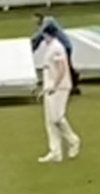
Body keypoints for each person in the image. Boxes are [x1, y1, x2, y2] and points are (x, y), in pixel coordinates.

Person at [38, 22, 81, 164]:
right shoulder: (50, 47)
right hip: (50, 86)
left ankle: (73, 140)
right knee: (50, 120)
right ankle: (55, 152)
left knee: (57, 117)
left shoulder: (57, 48)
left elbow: (62, 68)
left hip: (59, 87)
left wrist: (55, 86)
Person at [30, 13, 80, 95]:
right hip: (60, 48)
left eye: (35, 19)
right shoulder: (44, 28)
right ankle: (73, 80)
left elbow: (40, 34)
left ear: (40, 18)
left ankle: (74, 82)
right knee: (63, 66)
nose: (35, 22)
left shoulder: (48, 20)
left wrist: (32, 39)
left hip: (64, 46)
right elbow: (39, 39)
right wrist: (32, 49)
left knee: (65, 66)